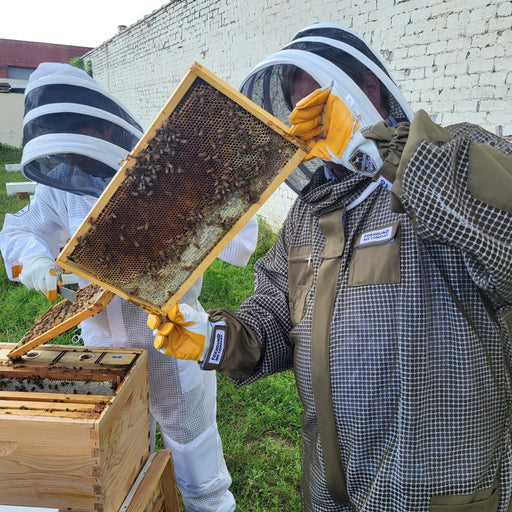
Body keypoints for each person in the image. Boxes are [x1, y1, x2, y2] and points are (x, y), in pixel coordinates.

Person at [147, 23, 512, 512]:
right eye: (304, 116)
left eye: (322, 109)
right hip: (329, 487)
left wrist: (374, 152)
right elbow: (276, 312)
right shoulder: (308, 214)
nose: (315, 130)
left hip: (435, 494)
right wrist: (215, 337)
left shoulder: (450, 155)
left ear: (369, 91)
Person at [0, 62, 259, 512]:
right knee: (125, 449)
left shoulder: (163, 169)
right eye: (65, 151)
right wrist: (36, 261)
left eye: (80, 141)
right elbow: (22, 228)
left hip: (172, 336)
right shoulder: (61, 186)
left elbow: (239, 240)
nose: (74, 163)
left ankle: (210, 505)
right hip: (103, 343)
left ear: (104, 126)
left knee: (192, 447)